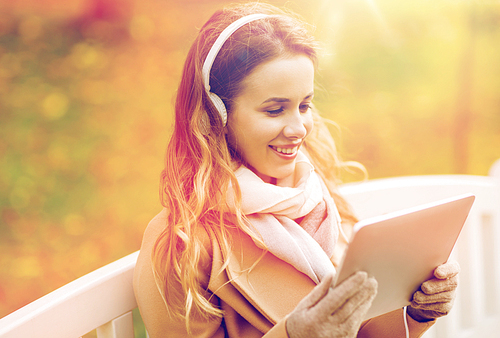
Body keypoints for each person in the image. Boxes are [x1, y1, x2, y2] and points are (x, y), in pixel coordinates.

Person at [133, 2, 459, 337]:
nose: (299, 128)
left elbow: (361, 330)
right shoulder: (183, 241)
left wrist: (416, 313)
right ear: (217, 117)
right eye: (275, 110)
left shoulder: (315, 197)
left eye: (304, 105)